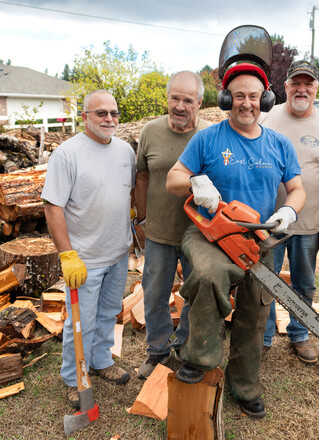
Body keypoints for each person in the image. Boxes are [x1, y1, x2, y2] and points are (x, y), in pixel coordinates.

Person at [166, 63, 306, 418]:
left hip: (257, 236)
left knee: (255, 313)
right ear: (228, 99)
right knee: (210, 274)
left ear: (266, 100)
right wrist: (196, 184)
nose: (247, 103)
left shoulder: (279, 144)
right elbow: (173, 178)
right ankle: (200, 356)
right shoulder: (208, 138)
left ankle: (244, 386)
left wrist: (288, 212)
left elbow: (297, 189)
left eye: (254, 97)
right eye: (239, 96)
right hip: (210, 232)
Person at [42, 90, 135, 408]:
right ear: (85, 117)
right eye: (101, 113)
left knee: (108, 314)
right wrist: (67, 255)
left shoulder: (125, 151)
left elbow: (128, 195)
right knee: (80, 322)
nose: (109, 119)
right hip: (85, 259)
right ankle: (73, 377)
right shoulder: (67, 154)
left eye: (114, 113)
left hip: (117, 253)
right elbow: (53, 206)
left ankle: (100, 361)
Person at [259, 60, 319, 363]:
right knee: (266, 279)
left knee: (303, 282)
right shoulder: (267, 120)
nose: (302, 89)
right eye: (296, 83)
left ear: (316, 88)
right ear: (285, 86)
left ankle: (300, 333)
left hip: (308, 223)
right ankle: (264, 334)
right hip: (271, 223)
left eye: (308, 83)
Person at [135, 71, 210, 379]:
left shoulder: (211, 134)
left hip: (199, 234)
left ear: (200, 102)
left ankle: (186, 348)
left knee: (196, 296)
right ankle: (158, 351)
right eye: (174, 98)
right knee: (153, 296)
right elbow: (141, 175)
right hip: (159, 232)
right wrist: (141, 218)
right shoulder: (150, 131)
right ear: (167, 99)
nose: (180, 106)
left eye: (187, 100)